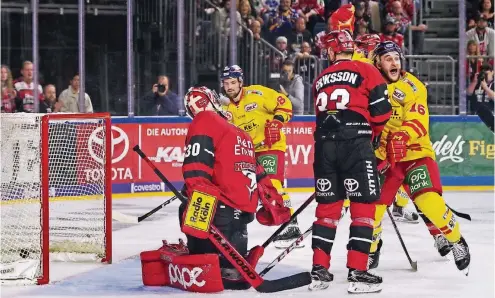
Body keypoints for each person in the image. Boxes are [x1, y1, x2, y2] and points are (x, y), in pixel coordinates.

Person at [371, 41, 471, 275]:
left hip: (414, 154)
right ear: (377, 63)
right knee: (370, 210)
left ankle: (456, 240)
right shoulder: (369, 84)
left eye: (396, 58)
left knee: (428, 202)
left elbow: (418, 120)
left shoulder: (413, 87)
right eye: (388, 59)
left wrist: (403, 136)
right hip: (384, 159)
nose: (394, 62)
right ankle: (372, 248)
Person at [179, 86, 291, 289]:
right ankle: (232, 265)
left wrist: (196, 201)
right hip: (241, 219)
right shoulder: (241, 133)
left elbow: (196, 164)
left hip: (217, 216)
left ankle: (215, 263)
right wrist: (272, 199)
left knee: (185, 203)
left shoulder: (204, 120)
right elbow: (259, 174)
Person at [309, 30, 391, 293]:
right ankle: (358, 271)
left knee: (327, 209)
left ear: (332, 51)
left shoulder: (320, 78)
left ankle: (319, 270)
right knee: (364, 207)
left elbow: (319, 113)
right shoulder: (366, 69)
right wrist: (373, 136)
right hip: (355, 144)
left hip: (323, 145)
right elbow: (382, 113)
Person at [220, 64, 303, 248]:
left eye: (233, 82)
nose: (229, 87)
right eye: (226, 83)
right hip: (246, 154)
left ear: (241, 82)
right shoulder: (224, 108)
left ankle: (291, 224)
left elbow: (284, 104)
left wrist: (277, 122)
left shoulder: (257, 93)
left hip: (269, 146)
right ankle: (238, 230)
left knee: (272, 182)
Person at [467, 63, 494, 131]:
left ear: (492, 72)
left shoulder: (493, 84)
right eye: (484, 74)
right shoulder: (477, 83)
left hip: (490, 117)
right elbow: (468, 93)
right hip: (475, 115)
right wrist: (474, 82)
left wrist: (485, 87)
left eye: (487, 74)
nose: (485, 76)